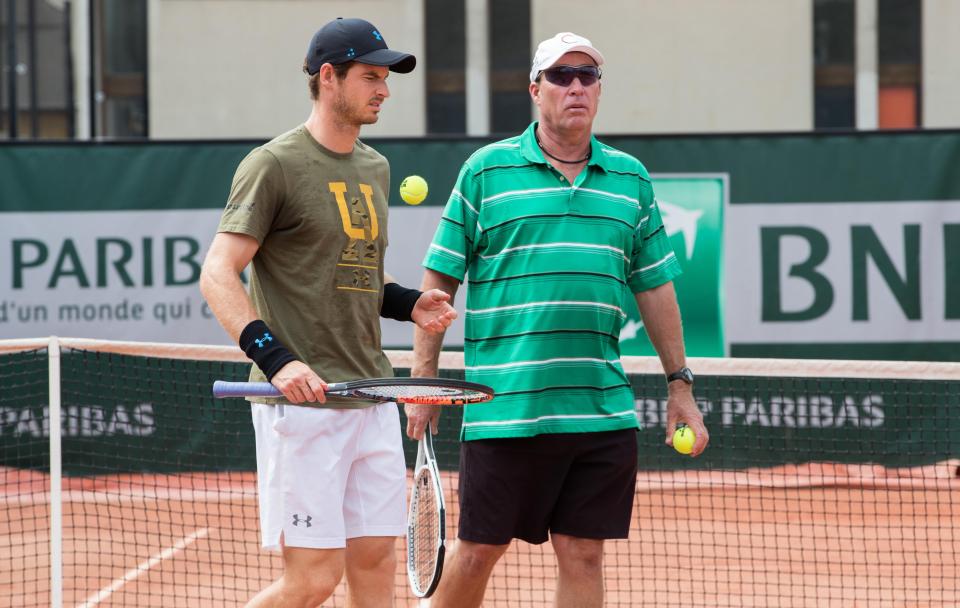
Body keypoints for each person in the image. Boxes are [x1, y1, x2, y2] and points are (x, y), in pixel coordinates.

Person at [406, 32, 710, 607]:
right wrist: (426, 381)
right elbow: (438, 284)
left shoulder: (630, 180)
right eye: (561, 76)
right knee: (476, 552)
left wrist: (680, 384)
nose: (575, 86)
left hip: (599, 411)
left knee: (584, 553)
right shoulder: (485, 172)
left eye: (587, 76)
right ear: (534, 89)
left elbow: (656, 288)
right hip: (506, 409)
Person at [199, 17, 457, 608]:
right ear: (328, 77)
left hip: (371, 394)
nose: (384, 91)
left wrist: (409, 304)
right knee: (314, 580)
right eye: (371, 76)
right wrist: (277, 362)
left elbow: (358, 272)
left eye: (386, 78)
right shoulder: (273, 165)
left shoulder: (375, 167)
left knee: (376, 567)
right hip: (303, 405)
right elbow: (218, 272)